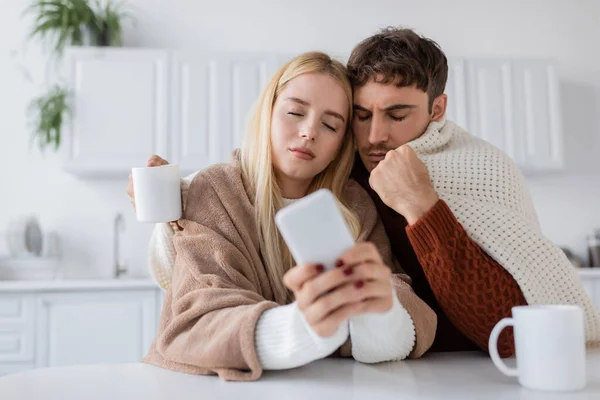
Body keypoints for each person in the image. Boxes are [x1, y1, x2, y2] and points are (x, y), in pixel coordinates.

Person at [134, 27, 600, 360]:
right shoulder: (332, 177)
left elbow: (508, 334)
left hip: (465, 372)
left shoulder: (466, 169)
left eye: (397, 115)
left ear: (437, 109)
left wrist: (423, 206)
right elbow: (205, 266)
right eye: (360, 116)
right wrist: (169, 216)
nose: (375, 136)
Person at [132, 52, 437, 382]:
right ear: (268, 113)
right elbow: (199, 318)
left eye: (330, 124)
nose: (309, 132)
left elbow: (394, 300)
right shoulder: (215, 189)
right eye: (295, 112)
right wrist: (305, 327)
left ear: (342, 143)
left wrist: (380, 313)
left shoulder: (355, 206)